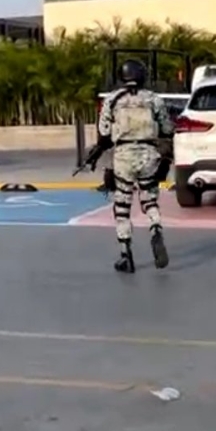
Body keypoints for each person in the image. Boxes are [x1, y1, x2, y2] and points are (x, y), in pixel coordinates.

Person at [82, 59, 175, 273]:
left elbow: (104, 133)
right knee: (149, 199)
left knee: (122, 206)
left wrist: (97, 152)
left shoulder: (112, 100)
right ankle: (155, 227)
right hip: (149, 154)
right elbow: (167, 129)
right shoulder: (154, 99)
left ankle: (126, 255)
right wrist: (165, 157)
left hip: (123, 156)